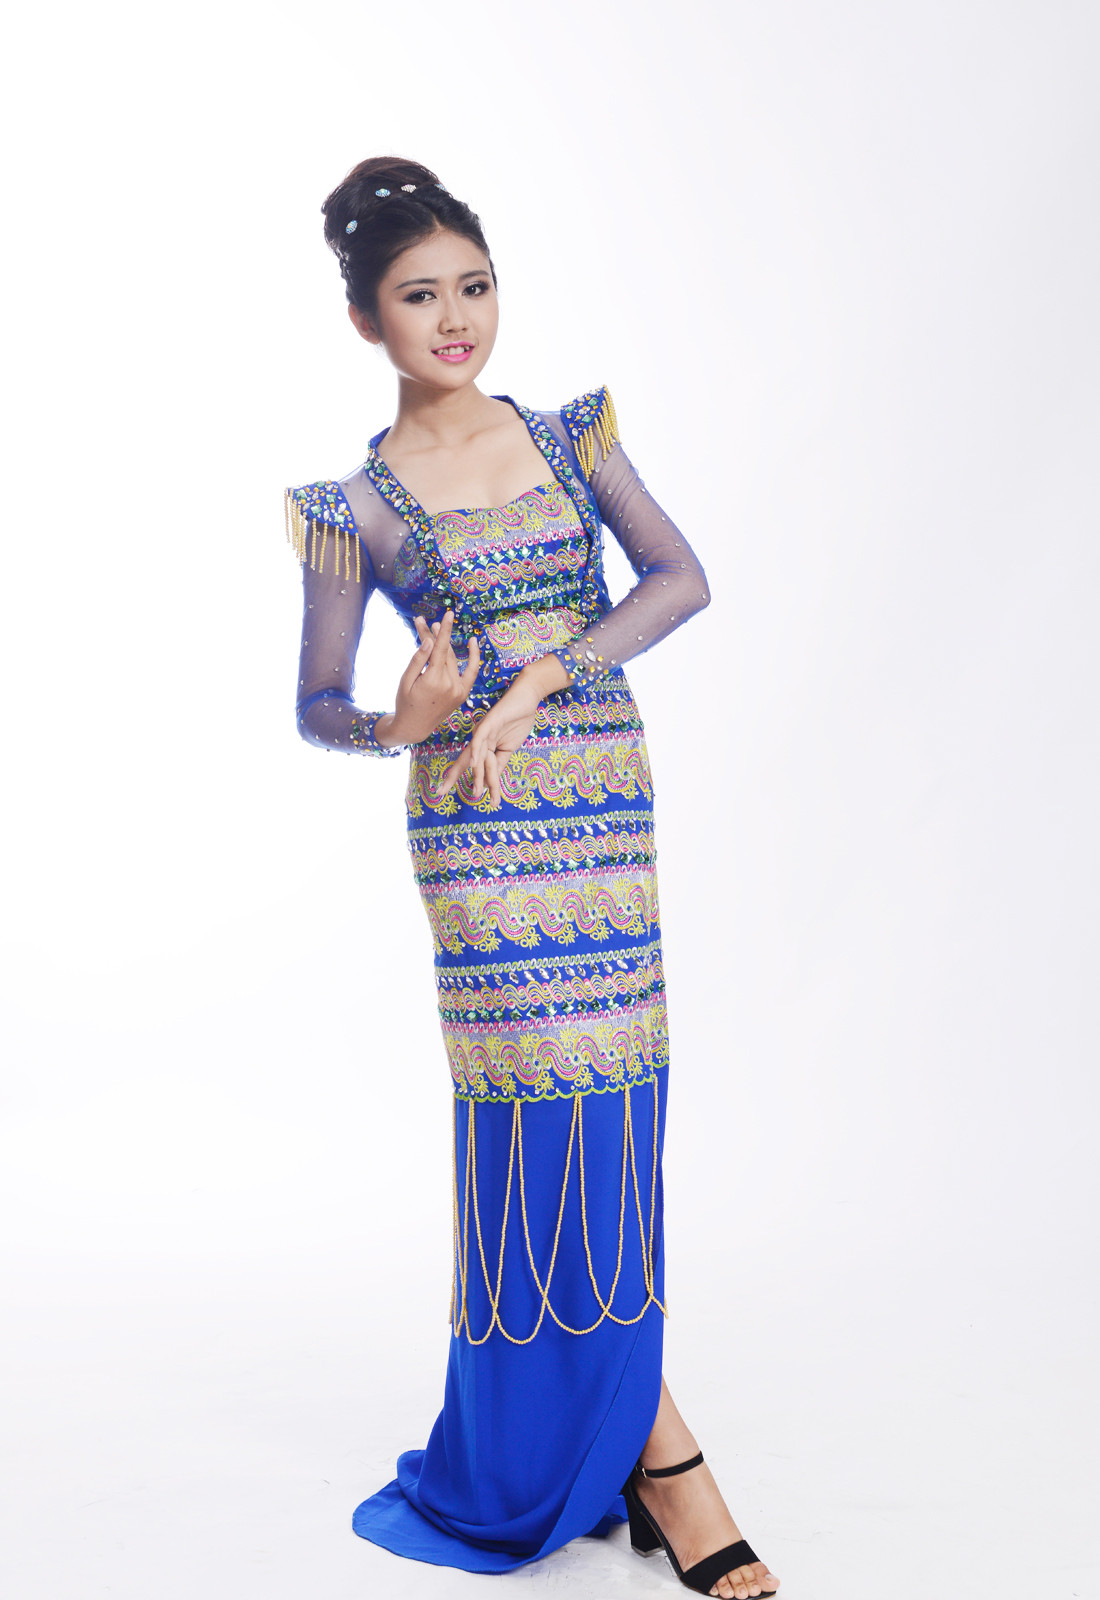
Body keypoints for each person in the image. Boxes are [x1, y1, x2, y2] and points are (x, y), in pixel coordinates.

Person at [285, 155, 781, 1600]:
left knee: (617, 1108)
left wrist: (546, 672)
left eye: (475, 286)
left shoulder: (570, 438)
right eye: (418, 297)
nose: (456, 319)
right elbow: (316, 701)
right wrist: (404, 725)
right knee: (541, 1126)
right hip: (481, 836)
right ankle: (667, 1461)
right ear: (366, 321)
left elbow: (678, 579)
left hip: (602, 810)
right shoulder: (355, 508)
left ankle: (627, 1436)